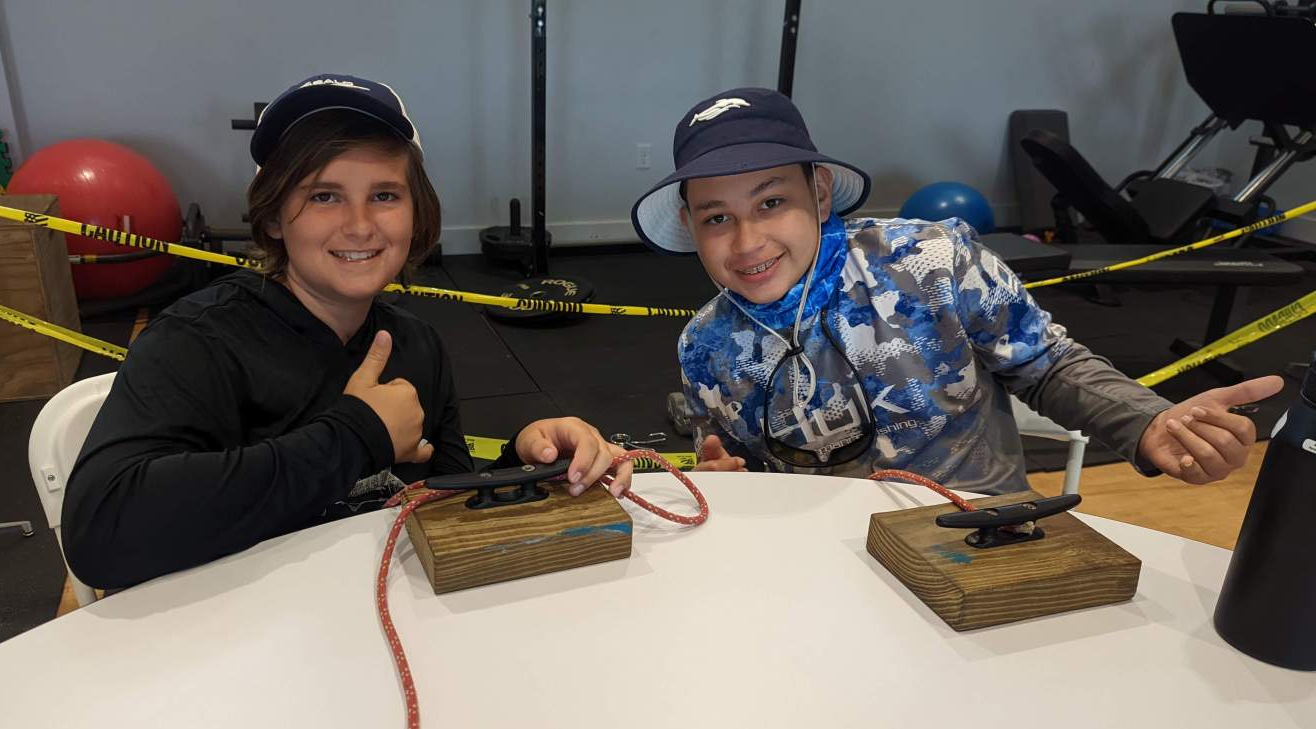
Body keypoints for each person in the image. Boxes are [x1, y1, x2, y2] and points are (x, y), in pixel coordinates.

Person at [64, 74, 630, 589]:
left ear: (417, 213)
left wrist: (531, 461)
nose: (360, 225)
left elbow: (443, 507)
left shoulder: (416, 346)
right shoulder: (197, 341)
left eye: (384, 195)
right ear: (271, 217)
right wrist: (358, 435)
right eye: (323, 196)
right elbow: (100, 534)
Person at [631, 87, 1280, 492]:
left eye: (772, 201)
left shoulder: (926, 259)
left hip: (980, 533)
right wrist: (727, 486)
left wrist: (1146, 422)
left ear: (819, 194)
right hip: (817, 566)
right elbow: (746, 470)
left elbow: (1047, 365)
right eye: (717, 216)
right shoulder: (706, 347)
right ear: (691, 225)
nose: (746, 242)